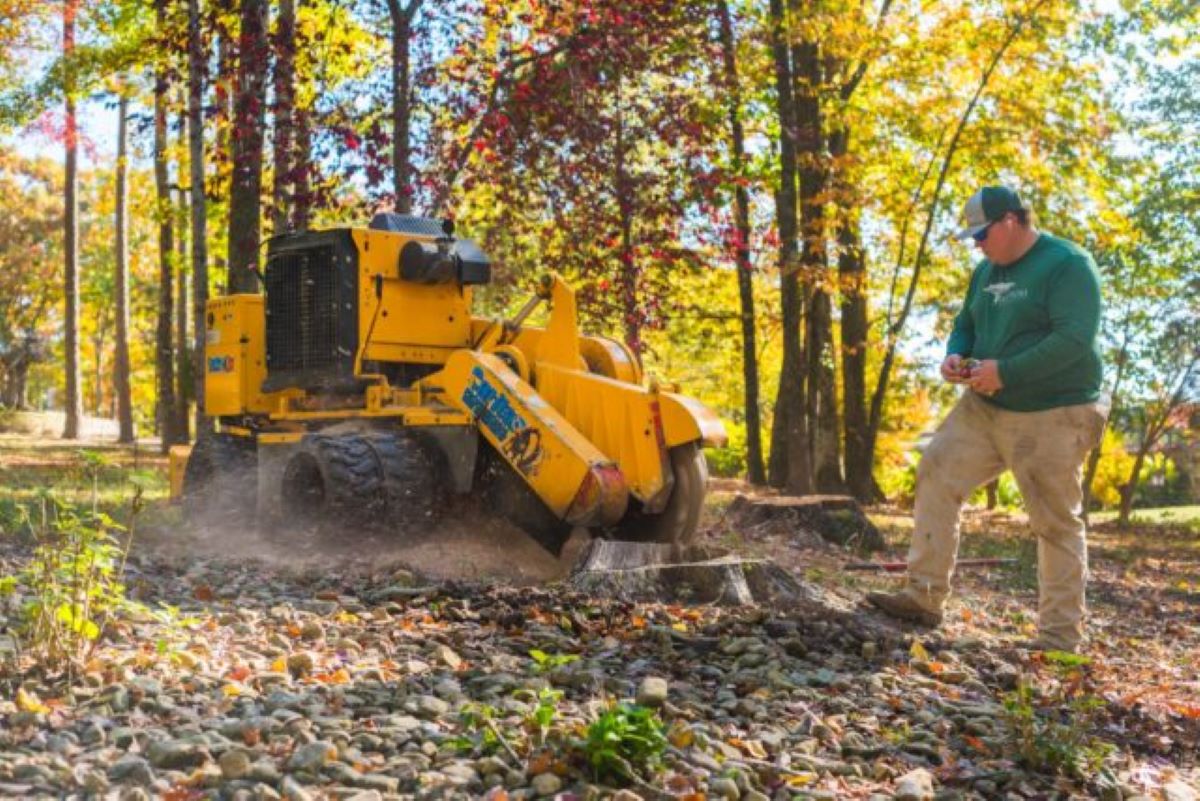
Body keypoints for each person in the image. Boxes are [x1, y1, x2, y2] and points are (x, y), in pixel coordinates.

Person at [867, 185, 1107, 652]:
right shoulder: (985, 271)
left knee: (1054, 520)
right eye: (974, 238)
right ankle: (924, 594)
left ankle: (1059, 638)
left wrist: (1007, 370)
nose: (978, 244)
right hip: (987, 407)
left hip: (1054, 410)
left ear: (1012, 222)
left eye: (982, 234)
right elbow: (967, 323)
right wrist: (957, 354)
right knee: (936, 469)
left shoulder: (1067, 265)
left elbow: (1075, 338)